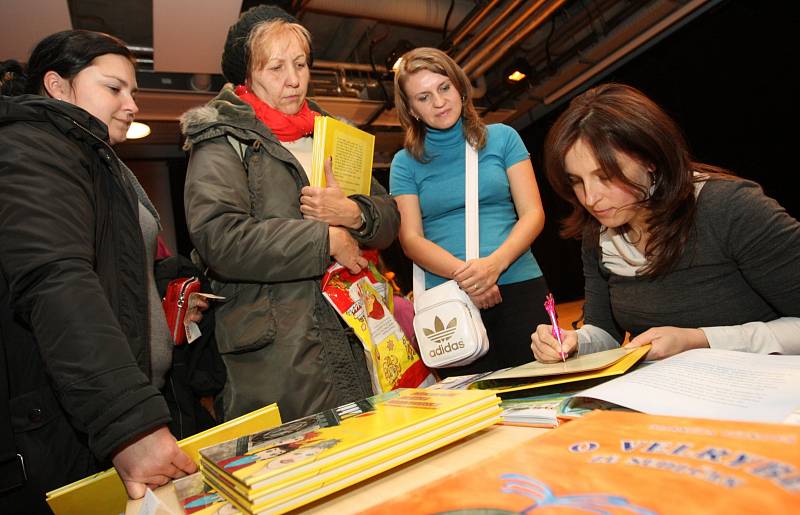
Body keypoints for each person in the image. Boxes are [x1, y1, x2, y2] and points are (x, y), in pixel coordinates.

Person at [0, 30, 198, 512]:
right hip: (80, 419)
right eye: (114, 89)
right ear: (57, 85)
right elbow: (58, 283)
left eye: (133, 90)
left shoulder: (93, 158)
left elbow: (115, 274)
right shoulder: (31, 146)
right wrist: (130, 423)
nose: (131, 104)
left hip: (117, 401)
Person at [181, 6, 400, 423]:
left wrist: (353, 213)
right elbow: (220, 238)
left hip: (360, 336)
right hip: (281, 359)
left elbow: (389, 219)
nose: (294, 79)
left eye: (299, 64)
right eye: (276, 67)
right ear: (247, 76)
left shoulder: (330, 132)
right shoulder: (224, 139)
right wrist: (326, 240)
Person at [531, 83, 800, 363]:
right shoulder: (597, 233)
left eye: (607, 175)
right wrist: (575, 342)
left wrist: (700, 340)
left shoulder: (730, 208)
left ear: (651, 159)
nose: (590, 198)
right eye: (576, 181)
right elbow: (607, 333)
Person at [391, 47, 549, 376]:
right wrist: (471, 279)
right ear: (411, 110)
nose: (438, 102)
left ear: (461, 87)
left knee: (544, 390)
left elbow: (533, 213)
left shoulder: (503, 138)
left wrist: (495, 265)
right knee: (475, 412)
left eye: (444, 88)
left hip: (517, 284)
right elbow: (411, 239)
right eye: (423, 97)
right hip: (449, 302)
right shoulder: (404, 163)